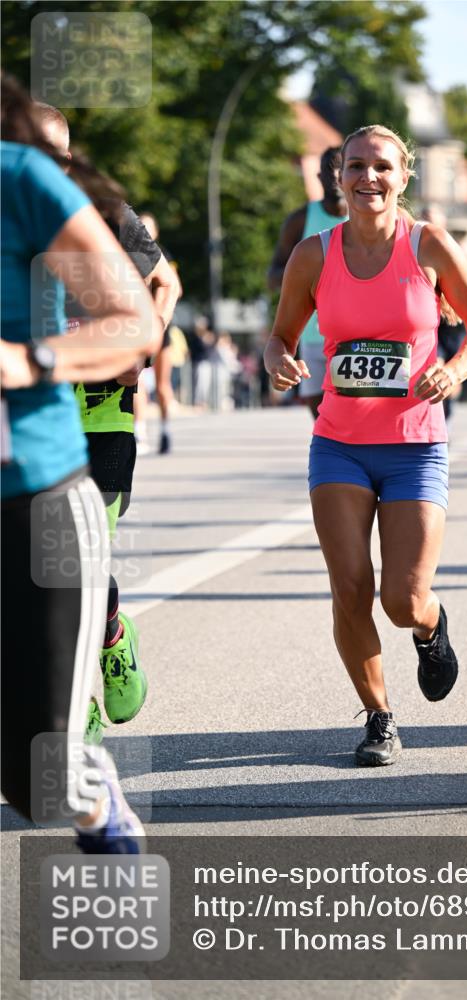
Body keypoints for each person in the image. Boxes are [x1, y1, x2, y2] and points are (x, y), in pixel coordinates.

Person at [264, 125, 467, 766]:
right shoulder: (313, 254)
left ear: (404, 176)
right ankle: (379, 717)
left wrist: (455, 369)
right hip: (338, 443)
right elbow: (279, 335)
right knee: (349, 587)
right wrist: (277, 359)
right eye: (355, 166)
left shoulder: (430, 246)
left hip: (416, 446)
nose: (369, 178)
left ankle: (431, 625)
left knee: (402, 600)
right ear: (338, 176)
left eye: (382, 168)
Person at [1, 75, 162, 851]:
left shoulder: (27, 182)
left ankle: (104, 815)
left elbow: (139, 312)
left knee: (43, 779)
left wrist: (29, 360)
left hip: (40, 474)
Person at [35, 103, 181, 738]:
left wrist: (141, 349)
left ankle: (110, 640)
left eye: (56, 156)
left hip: (100, 417)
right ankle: (76, 705)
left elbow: (165, 285)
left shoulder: (102, 214)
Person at [268, 147, 348, 419]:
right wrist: (309, 273)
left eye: (342, 168)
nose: (335, 176)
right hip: (313, 337)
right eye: (328, 170)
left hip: (355, 335)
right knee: (323, 420)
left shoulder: (366, 219)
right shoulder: (300, 220)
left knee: (355, 418)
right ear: (318, 176)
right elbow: (273, 276)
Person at [138, 211, 183, 453]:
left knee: (162, 383)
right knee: (138, 382)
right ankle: (139, 433)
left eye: (148, 227)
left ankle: (165, 430)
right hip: (137, 325)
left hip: (161, 326)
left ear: (155, 231)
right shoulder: (127, 252)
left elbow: (176, 288)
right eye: (140, 226)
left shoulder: (163, 255)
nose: (144, 230)